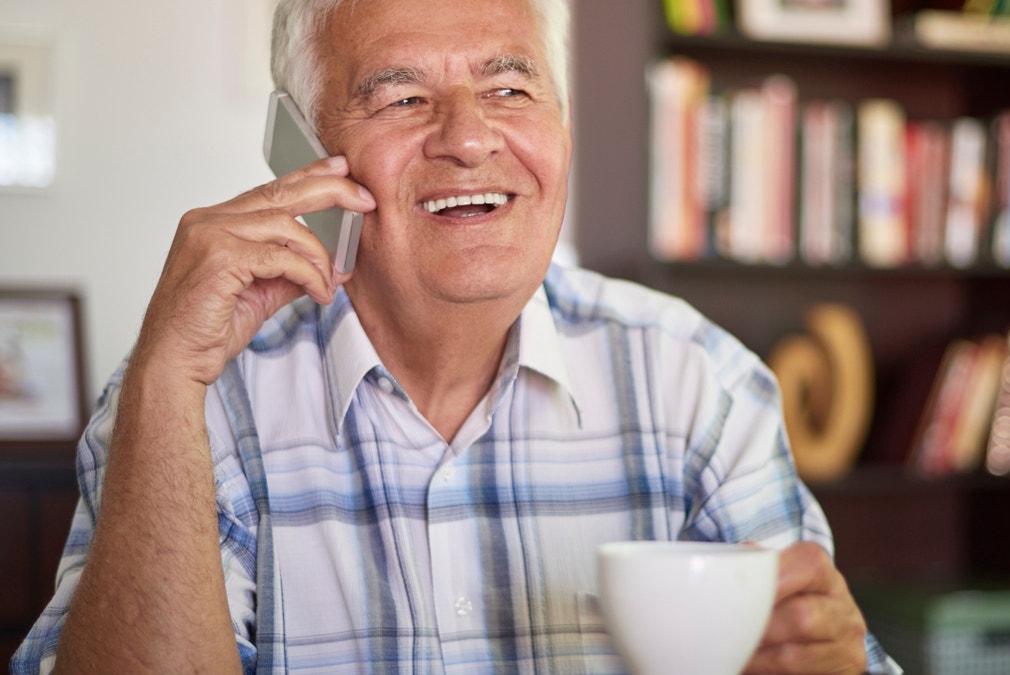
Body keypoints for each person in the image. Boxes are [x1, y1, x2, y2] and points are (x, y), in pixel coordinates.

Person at [13, 0, 900, 673]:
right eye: (401, 98)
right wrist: (168, 380)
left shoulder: (697, 382)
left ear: (561, 129)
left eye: (510, 88)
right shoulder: (189, 394)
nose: (470, 137)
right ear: (299, 153)